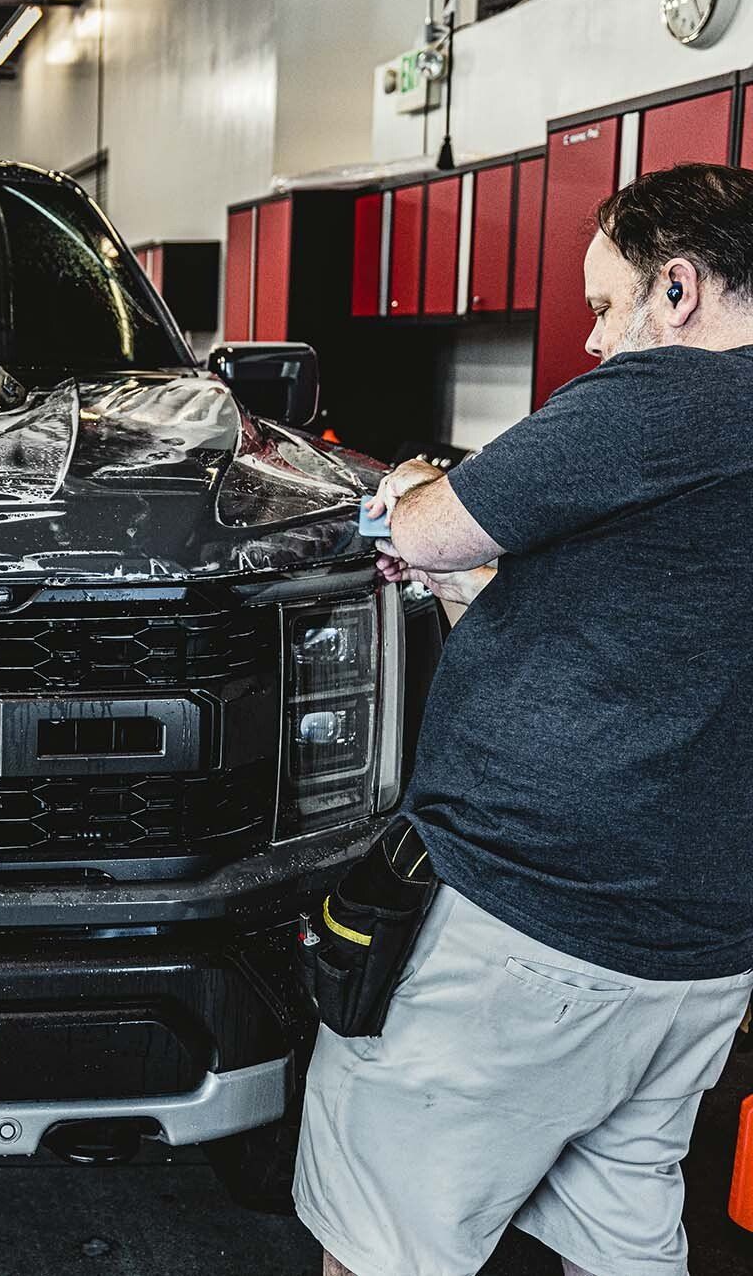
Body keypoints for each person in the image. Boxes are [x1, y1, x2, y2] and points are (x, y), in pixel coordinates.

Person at [294, 160, 753, 1276]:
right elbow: (652, 625)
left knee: (384, 1234)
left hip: (531, 928)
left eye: (605, 306)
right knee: (624, 1236)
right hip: (699, 950)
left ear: (677, 289)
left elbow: (432, 531)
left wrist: (401, 495)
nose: (593, 343)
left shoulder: (677, 398)